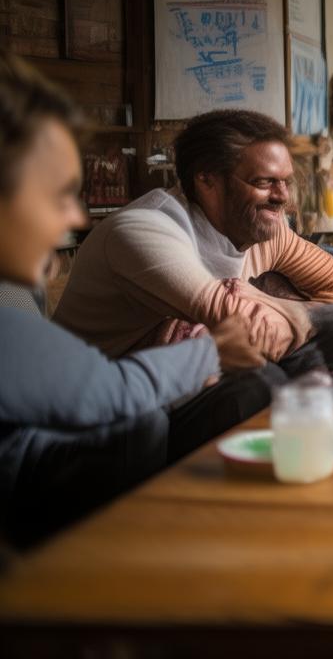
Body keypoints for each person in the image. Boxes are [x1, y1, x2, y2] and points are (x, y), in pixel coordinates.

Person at [0, 50, 266, 548]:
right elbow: (109, 394)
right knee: (138, 421)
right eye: (56, 195)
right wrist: (211, 350)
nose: (75, 218)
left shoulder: (17, 284)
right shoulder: (142, 227)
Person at [54, 109, 333, 373]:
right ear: (207, 180)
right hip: (109, 401)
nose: (282, 198)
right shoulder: (143, 229)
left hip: (186, 377)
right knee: (261, 379)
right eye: (264, 182)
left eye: (285, 182)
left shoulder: (267, 231)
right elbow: (237, 321)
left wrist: (281, 306)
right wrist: (298, 315)